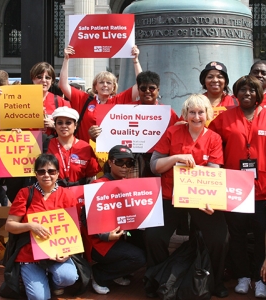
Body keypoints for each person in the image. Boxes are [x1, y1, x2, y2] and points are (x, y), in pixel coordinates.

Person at [146, 94, 229, 298]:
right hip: (171, 195)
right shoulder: (172, 132)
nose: (196, 116)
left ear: (207, 114)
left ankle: (215, 281)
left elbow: (213, 172)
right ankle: (159, 278)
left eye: (201, 112)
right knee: (153, 237)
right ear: (185, 114)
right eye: (192, 112)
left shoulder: (214, 138)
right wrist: (176, 158)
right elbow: (155, 166)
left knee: (221, 238)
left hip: (199, 198)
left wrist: (211, 201)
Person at [209, 75, 266, 298]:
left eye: (252, 90)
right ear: (236, 94)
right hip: (234, 188)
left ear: (259, 94)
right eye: (242, 90)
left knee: (262, 234)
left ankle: (260, 278)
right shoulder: (224, 118)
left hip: (262, 189)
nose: (247, 94)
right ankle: (243, 276)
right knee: (237, 234)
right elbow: (209, 140)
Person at [5, 153, 79, 299]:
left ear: (58, 173)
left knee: (68, 277)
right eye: (41, 171)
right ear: (36, 174)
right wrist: (30, 226)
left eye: (51, 171)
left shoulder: (67, 195)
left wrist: (68, 253)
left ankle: (54, 282)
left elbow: (74, 229)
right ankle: (29, 276)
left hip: (57, 252)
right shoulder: (25, 193)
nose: (46, 175)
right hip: (30, 253)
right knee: (39, 298)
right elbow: (9, 225)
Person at [88, 70, 179, 178]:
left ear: (158, 90)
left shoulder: (168, 113)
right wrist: (95, 137)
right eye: (143, 88)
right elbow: (111, 136)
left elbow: (176, 136)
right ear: (138, 90)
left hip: (157, 161)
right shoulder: (125, 109)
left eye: (152, 88)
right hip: (132, 161)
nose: (147, 91)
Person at [81, 145, 146, 294]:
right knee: (138, 258)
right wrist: (104, 235)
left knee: (148, 245)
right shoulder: (97, 185)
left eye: (129, 163)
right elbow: (85, 218)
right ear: (110, 162)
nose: (124, 167)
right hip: (99, 241)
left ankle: (117, 272)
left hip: (121, 236)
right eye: (119, 162)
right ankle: (99, 275)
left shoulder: (129, 185)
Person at [59, 45, 142, 142]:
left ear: (114, 87)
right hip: (85, 151)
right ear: (95, 86)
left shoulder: (119, 100)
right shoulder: (84, 99)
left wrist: (135, 60)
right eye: (101, 82)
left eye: (109, 83)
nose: (105, 85)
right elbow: (63, 85)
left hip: (111, 152)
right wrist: (66, 59)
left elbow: (140, 84)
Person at [47, 106, 101, 186]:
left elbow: (91, 177)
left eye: (68, 123)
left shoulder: (85, 147)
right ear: (55, 126)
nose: (64, 126)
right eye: (60, 123)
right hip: (54, 194)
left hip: (79, 194)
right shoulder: (46, 145)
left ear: (75, 125)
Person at [30, 62, 71, 136]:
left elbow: (71, 128)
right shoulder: (21, 100)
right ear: (33, 79)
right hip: (28, 144)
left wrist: (54, 125)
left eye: (48, 78)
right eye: (39, 77)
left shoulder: (61, 102)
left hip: (52, 145)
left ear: (52, 81)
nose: (43, 80)